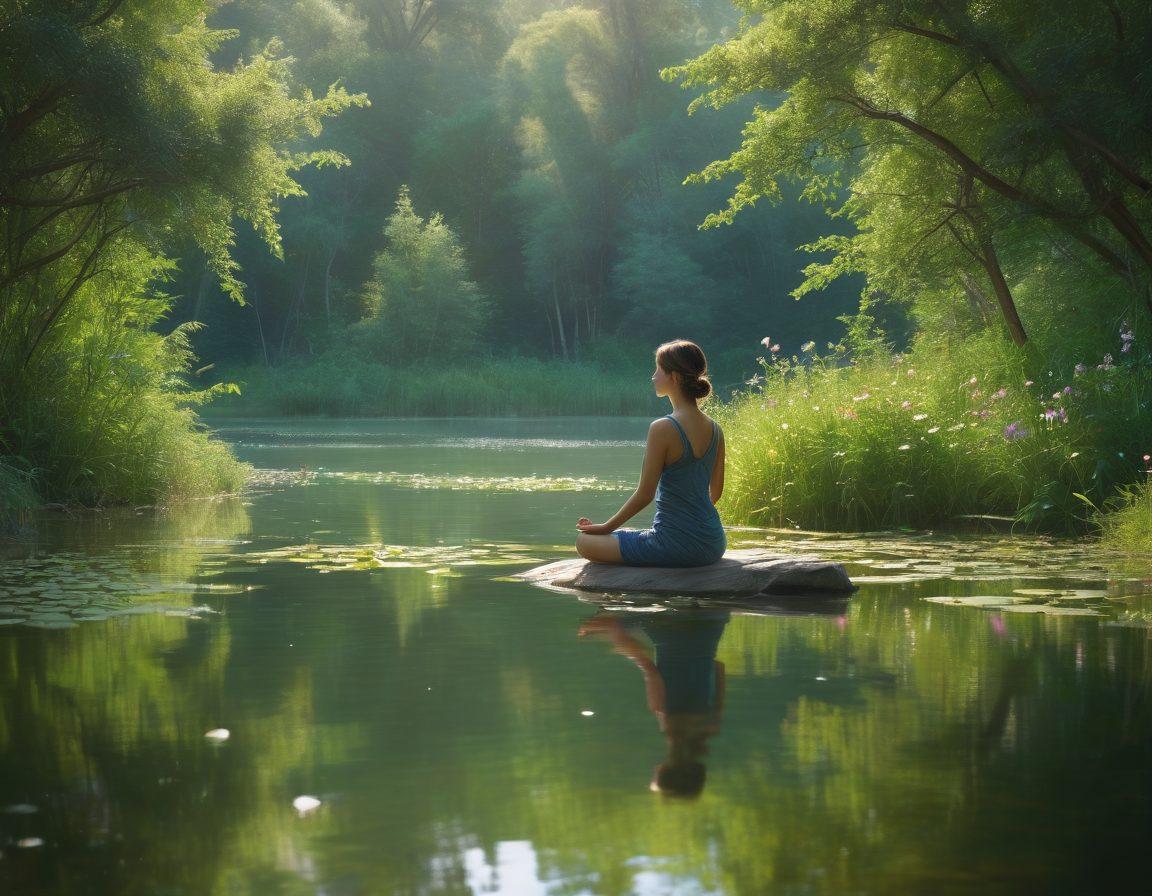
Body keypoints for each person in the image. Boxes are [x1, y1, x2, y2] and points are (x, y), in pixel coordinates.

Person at [576, 339, 726, 567]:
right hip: (714, 543)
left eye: (658, 370)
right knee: (624, 534)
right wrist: (692, 524)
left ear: (674, 377)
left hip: (674, 546)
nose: (653, 377)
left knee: (584, 542)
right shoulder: (716, 429)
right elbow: (715, 493)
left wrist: (605, 527)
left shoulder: (662, 428)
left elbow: (644, 495)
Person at [578, 610, 730, 798]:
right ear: (664, 768)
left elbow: (718, 667)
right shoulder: (667, 719)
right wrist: (617, 638)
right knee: (597, 624)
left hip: (712, 622)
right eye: (656, 773)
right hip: (667, 624)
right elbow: (647, 667)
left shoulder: (711, 725)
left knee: (616, 626)